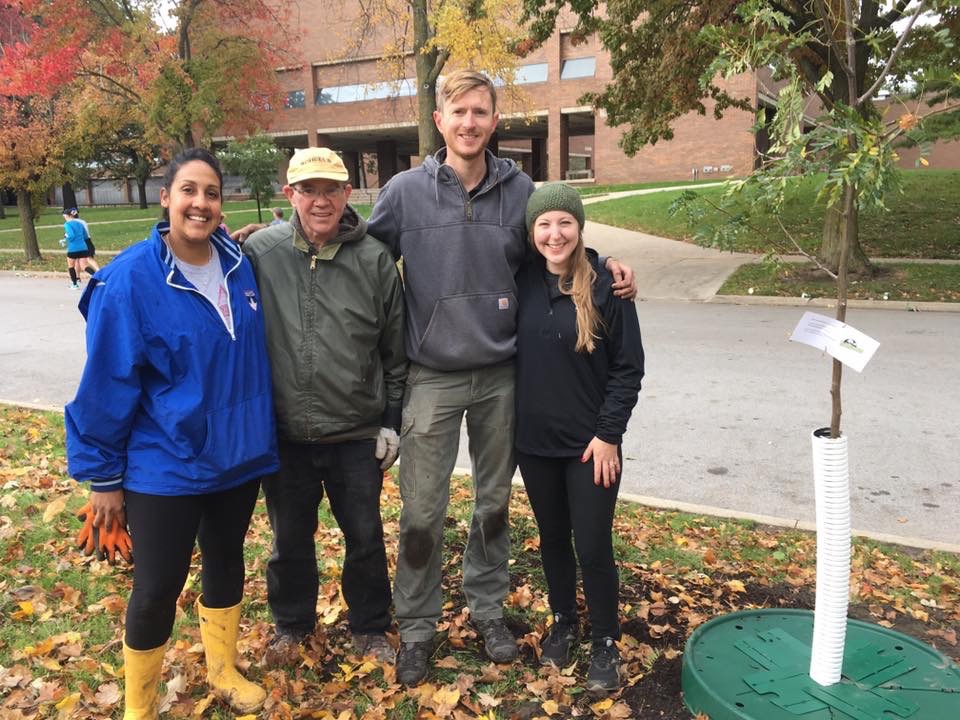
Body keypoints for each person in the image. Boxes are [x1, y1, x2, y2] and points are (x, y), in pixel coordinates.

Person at [365, 69, 637, 686]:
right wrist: (273, 237)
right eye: (457, 111)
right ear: (440, 120)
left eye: (480, 112)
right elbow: (359, 249)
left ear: (494, 120)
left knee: (492, 506)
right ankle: (417, 627)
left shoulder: (519, 194)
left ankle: (487, 610)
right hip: (431, 376)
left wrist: (604, 262)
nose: (469, 122)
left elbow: (558, 241)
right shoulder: (405, 192)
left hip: (502, 378)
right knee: (421, 512)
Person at [64, 148, 279, 718]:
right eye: (188, 191)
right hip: (167, 465)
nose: (200, 203)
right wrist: (103, 478)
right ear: (166, 198)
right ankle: (141, 704)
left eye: (211, 193)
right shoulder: (131, 281)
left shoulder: (238, 263)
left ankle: (222, 668)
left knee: (226, 559)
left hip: (238, 455)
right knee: (158, 585)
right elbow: (106, 384)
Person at [239, 147, 406, 666]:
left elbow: (395, 353)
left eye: (330, 189)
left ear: (347, 194)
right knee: (289, 541)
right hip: (285, 434)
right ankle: (292, 626)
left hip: (355, 433)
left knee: (365, 538)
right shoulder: (260, 253)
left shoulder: (375, 259)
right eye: (308, 189)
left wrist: (391, 424)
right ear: (289, 194)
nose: (320, 200)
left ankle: (370, 627)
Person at [516, 183, 644, 694]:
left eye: (564, 223)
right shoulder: (520, 280)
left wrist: (609, 436)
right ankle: (564, 621)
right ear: (531, 233)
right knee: (552, 540)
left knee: (591, 544)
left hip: (591, 447)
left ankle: (606, 641)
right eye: (544, 225)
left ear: (579, 227)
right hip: (534, 444)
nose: (554, 234)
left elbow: (628, 370)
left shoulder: (607, 288)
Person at [61, 209, 92, 289]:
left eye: (64, 216)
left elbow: (71, 235)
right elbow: (85, 236)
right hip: (83, 247)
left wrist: (65, 240)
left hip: (73, 248)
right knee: (84, 266)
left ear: (67, 216)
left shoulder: (67, 224)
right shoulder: (80, 224)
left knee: (71, 266)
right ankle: (98, 278)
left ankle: (74, 285)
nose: (64, 217)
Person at [66, 208, 100, 273]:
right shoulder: (83, 221)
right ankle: (98, 270)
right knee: (89, 259)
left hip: (80, 242)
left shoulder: (71, 223)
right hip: (88, 241)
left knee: (78, 261)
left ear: (70, 215)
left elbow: (72, 234)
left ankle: (78, 278)